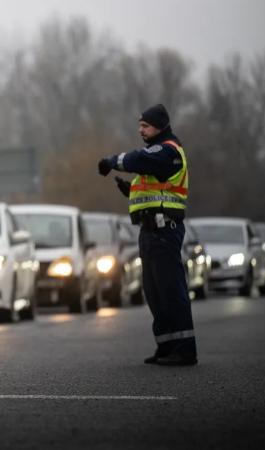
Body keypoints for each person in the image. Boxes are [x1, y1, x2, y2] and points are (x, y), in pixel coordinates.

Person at [97, 103, 198, 366]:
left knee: (171, 289)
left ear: (161, 126)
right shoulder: (158, 153)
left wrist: (112, 161)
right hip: (151, 231)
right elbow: (157, 190)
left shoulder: (168, 151)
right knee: (154, 291)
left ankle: (185, 349)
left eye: (146, 125)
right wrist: (131, 191)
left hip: (165, 230)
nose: (141, 130)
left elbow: (139, 159)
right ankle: (166, 345)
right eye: (140, 126)